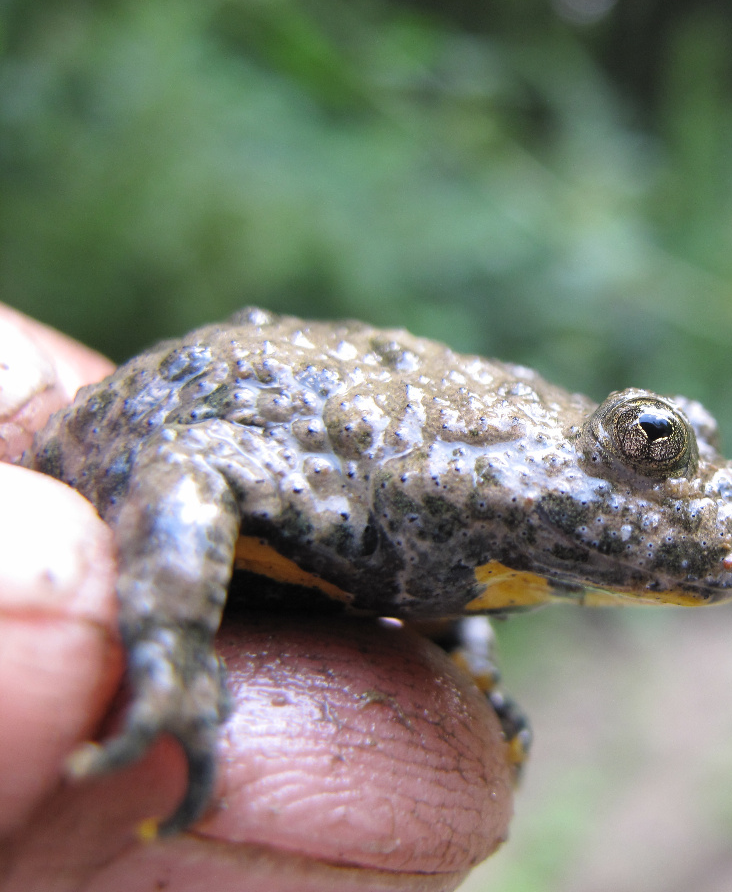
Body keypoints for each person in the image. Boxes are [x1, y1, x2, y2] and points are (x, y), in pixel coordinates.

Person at [0, 304, 514, 891]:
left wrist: (466, 649)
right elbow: (191, 465)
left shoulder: (445, 538)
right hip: (88, 491)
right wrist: (174, 643)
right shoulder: (363, 490)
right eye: (647, 441)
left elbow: (447, 583)